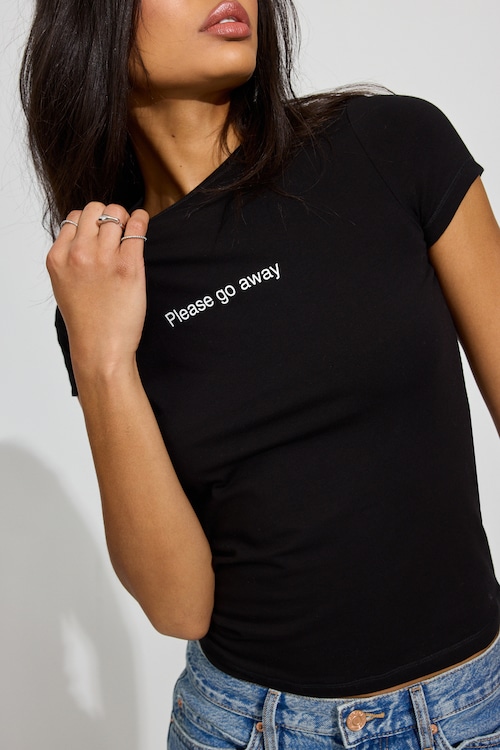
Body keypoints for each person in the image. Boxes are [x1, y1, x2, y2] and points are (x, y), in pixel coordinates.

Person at [20, 1, 500, 748]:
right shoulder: (107, 281)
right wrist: (103, 358)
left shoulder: (392, 143)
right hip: (245, 725)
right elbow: (180, 606)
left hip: (475, 710)